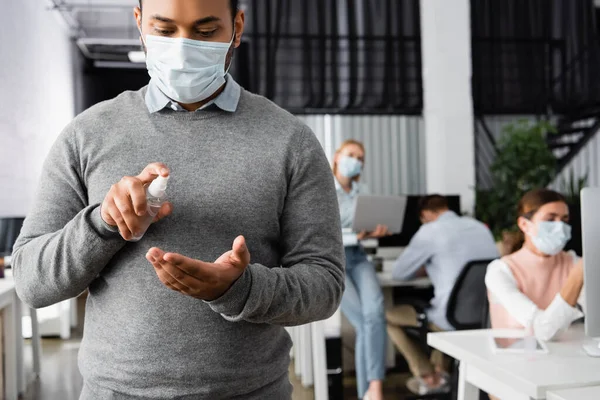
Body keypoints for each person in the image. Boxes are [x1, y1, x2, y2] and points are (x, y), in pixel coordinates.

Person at [11, 1, 345, 398]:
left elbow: (325, 283)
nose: (184, 48)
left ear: (237, 27)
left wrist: (238, 288)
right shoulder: (86, 134)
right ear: (139, 25)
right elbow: (31, 283)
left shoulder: (291, 141)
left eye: (205, 33)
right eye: (165, 31)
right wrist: (103, 223)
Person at [386, 194, 499, 395]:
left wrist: (425, 267)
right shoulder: (480, 228)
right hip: (482, 318)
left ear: (425, 214)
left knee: (387, 317)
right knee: (440, 313)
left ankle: (427, 376)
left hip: (449, 319)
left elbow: (399, 273)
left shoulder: (430, 230)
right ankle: (441, 373)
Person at [486, 188, 584, 341]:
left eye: (564, 220)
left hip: (561, 354)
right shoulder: (500, 271)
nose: (560, 227)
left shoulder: (572, 261)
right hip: (514, 359)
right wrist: (578, 276)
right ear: (525, 224)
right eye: (550, 219)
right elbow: (543, 331)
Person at [333, 139, 388, 400]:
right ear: (337, 157)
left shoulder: (362, 190)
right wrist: (356, 234)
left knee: (375, 313)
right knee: (365, 322)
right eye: (351, 154)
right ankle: (371, 391)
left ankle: (373, 388)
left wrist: (375, 230)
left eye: (360, 158)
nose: (356, 160)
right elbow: (319, 233)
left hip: (358, 258)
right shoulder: (320, 187)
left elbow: (362, 227)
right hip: (333, 261)